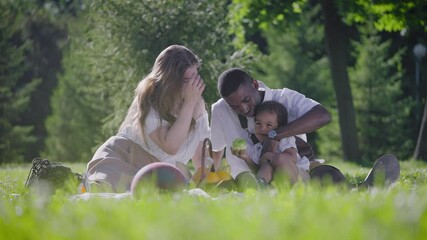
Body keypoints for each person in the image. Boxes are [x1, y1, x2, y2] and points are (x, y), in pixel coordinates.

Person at [210, 68, 400, 189]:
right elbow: (216, 150)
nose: (243, 109)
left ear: (254, 85)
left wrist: (276, 134)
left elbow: (323, 115)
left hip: (294, 173)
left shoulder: (283, 98)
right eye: (234, 106)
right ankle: (360, 191)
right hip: (249, 180)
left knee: (329, 174)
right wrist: (209, 175)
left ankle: (362, 189)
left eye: (246, 100)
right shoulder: (219, 109)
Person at [86, 45, 209, 193]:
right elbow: (171, 146)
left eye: (195, 77)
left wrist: (208, 176)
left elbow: (200, 154)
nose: (192, 85)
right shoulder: (151, 99)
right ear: (170, 80)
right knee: (117, 199)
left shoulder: (197, 104)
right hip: (124, 160)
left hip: (161, 171)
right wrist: (189, 104)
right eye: (186, 79)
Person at [231, 101, 310, 185]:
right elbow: (258, 170)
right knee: (266, 167)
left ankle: (293, 188)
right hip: (278, 182)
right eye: (258, 123)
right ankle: (259, 185)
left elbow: (291, 158)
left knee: (279, 159)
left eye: (268, 125)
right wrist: (246, 158)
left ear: (279, 127)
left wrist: (267, 156)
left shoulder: (284, 139)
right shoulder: (258, 148)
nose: (262, 128)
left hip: (299, 176)